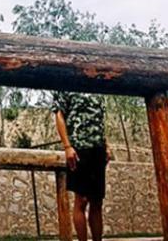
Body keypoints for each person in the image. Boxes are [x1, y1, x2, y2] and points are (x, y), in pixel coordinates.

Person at [53, 91, 113, 241]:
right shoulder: (65, 84)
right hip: (79, 149)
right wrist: (67, 147)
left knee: (97, 201)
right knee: (82, 200)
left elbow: (99, 120)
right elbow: (59, 115)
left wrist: (106, 145)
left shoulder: (96, 86)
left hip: (97, 149)